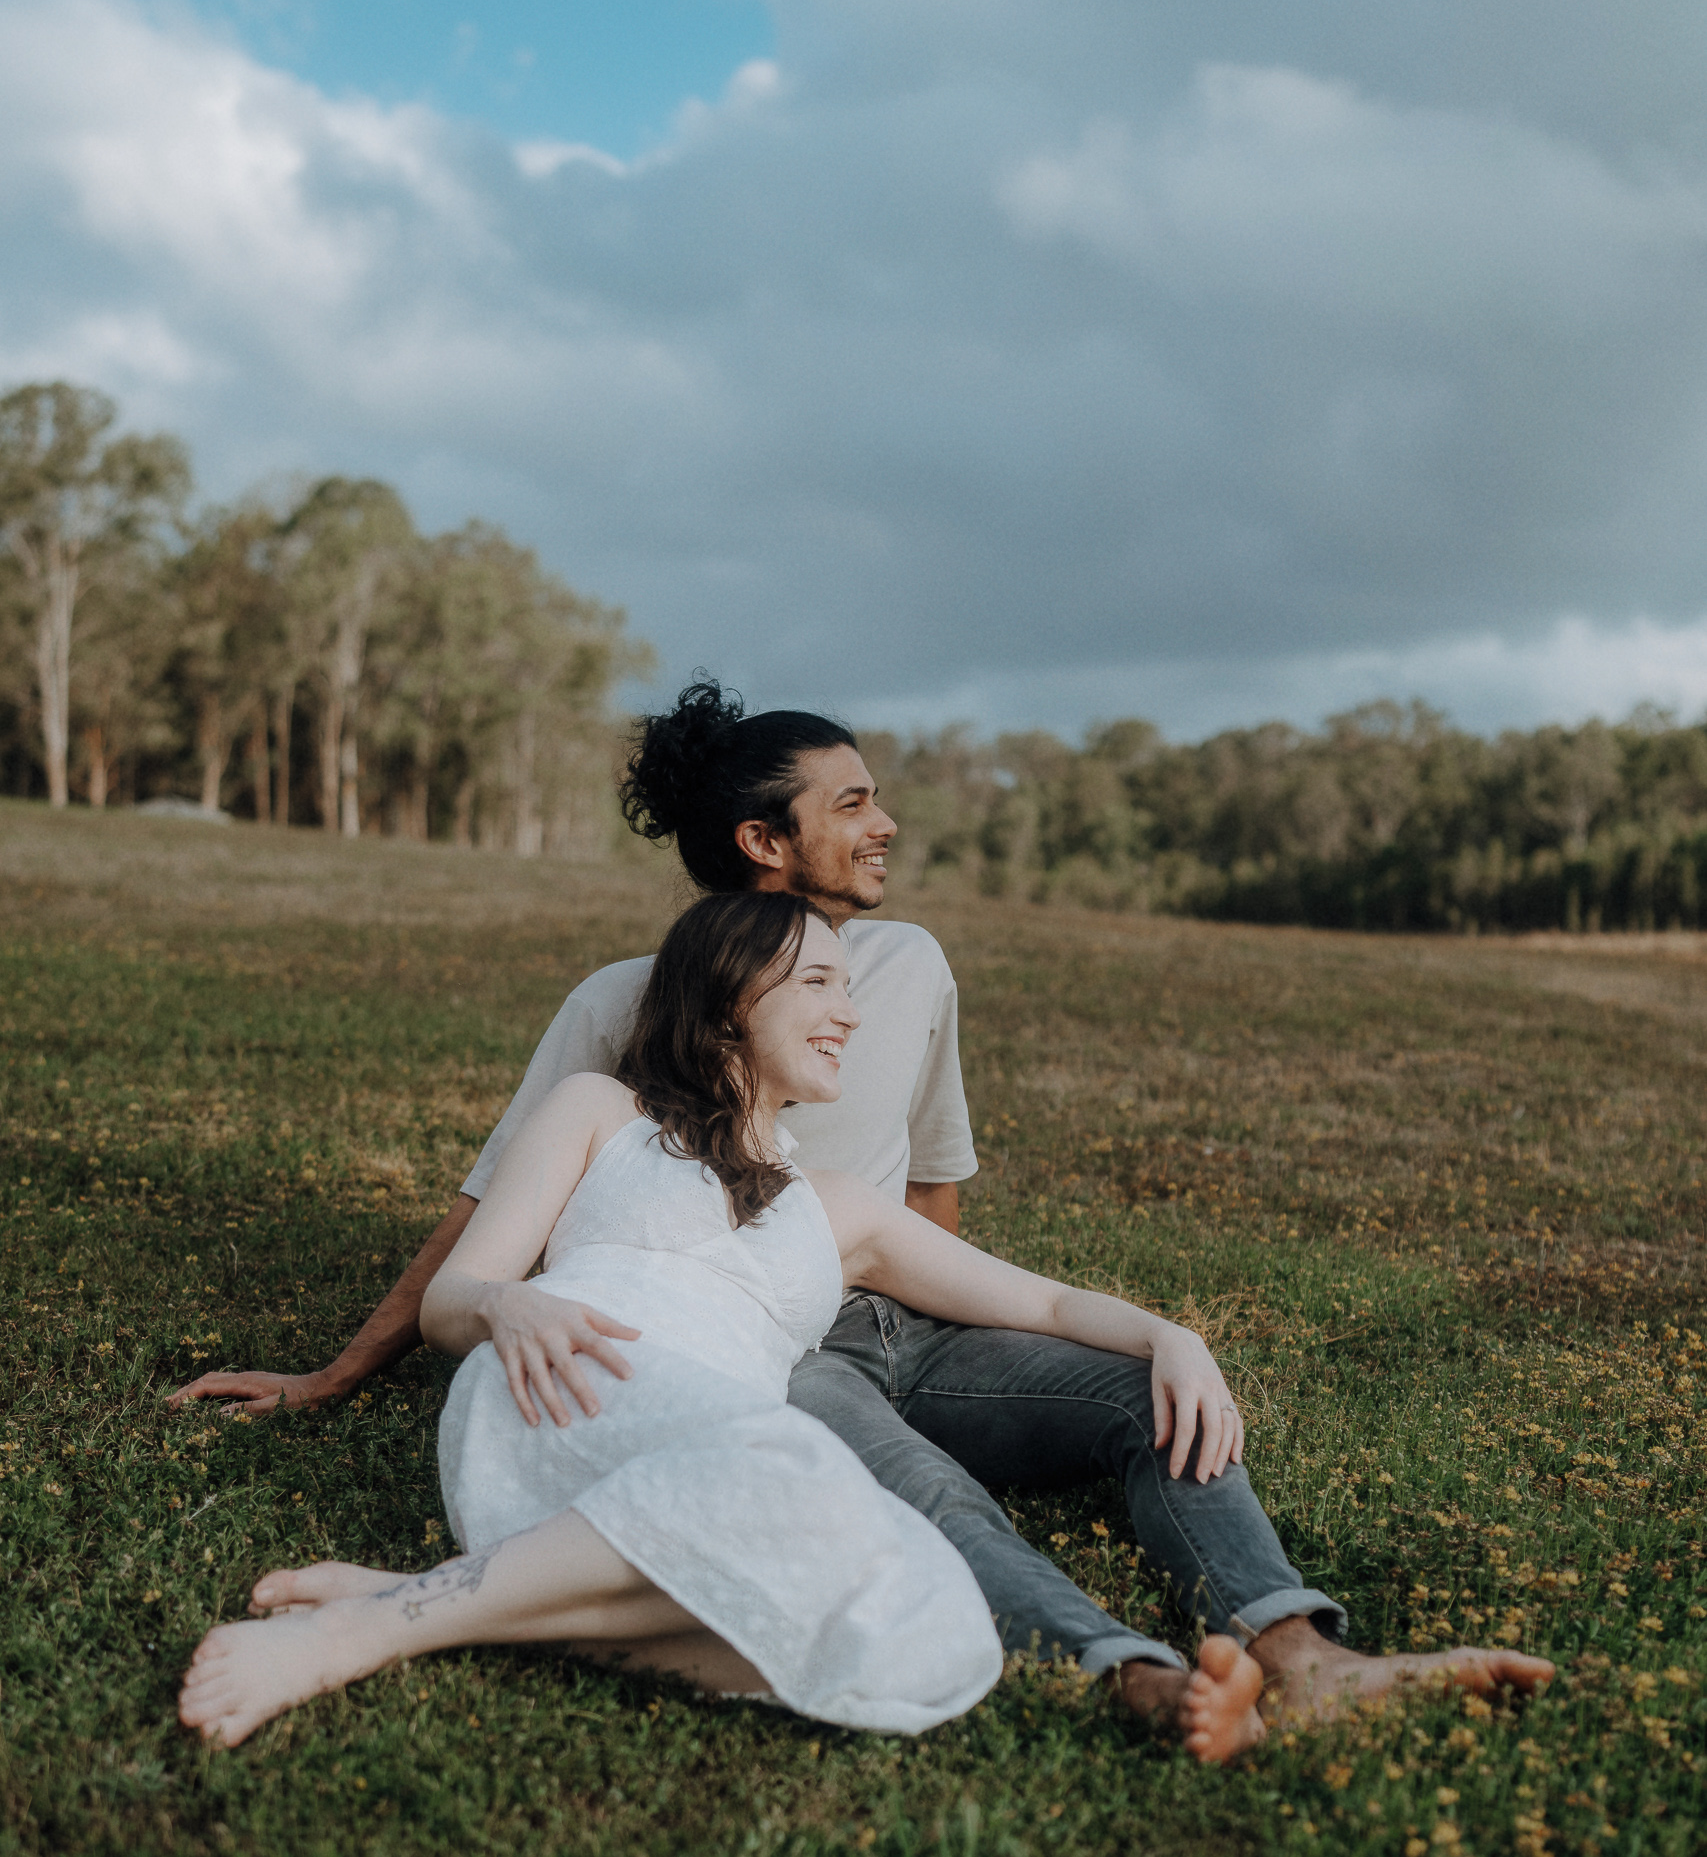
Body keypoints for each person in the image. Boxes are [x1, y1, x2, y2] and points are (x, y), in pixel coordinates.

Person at [173, 680, 1554, 1736]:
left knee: (1131, 1394)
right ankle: (1120, 1674)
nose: (881, 823)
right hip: (761, 1351)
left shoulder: (908, 971)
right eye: (848, 804)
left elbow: (935, 1183)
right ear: (761, 840)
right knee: (887, 1485)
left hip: (883, 1295)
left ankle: (1297, 1655)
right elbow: (491, 1212)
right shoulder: (620, 1009)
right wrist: (343, 1369)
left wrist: (1138, 1333)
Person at [178, 896, 1280, 1759]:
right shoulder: (601, 1114)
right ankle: (357, 1634)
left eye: (849, 985)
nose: (848, 1010)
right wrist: (513, 1303)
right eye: (815, 981)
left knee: (944, 1622)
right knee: (801, 1461)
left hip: (729, 1453)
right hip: (570, 1390)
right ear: (722, 1000)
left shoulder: (839, 1204)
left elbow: (1036, 1300)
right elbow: (453, 1300)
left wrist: (1166, 1334)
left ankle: (419, 1596)